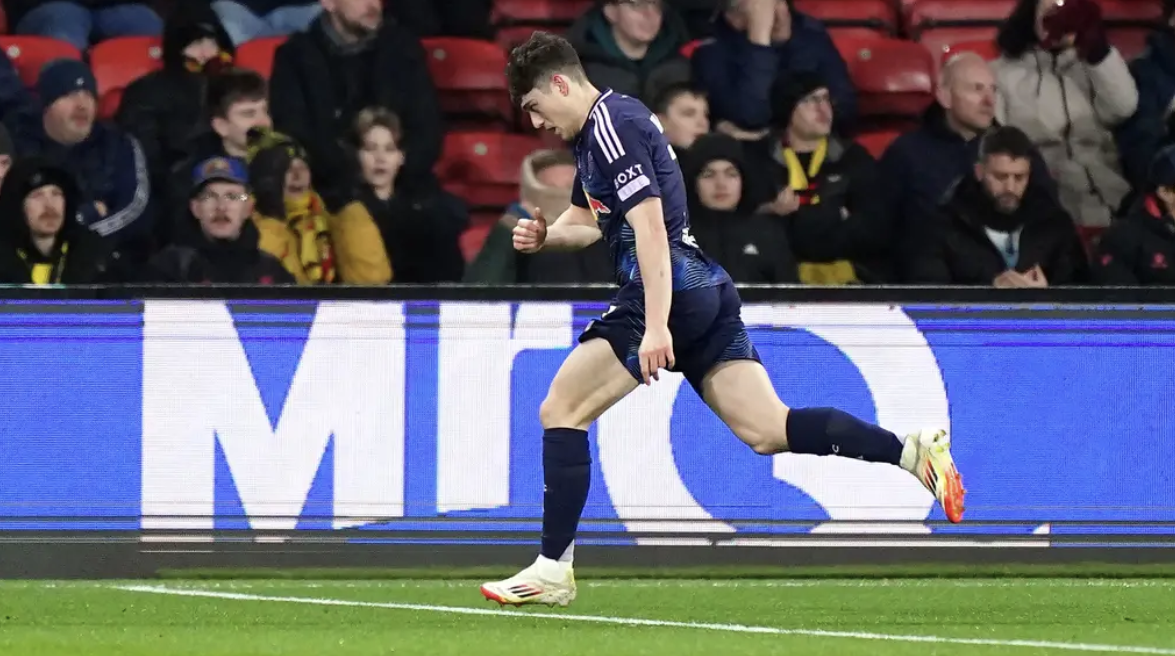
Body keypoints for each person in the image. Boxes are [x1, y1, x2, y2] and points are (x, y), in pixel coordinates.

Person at [479, 32, 966, 609]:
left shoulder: (610, 128)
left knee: (562, 409)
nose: (536, 123)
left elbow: (650, 228)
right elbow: (589, 220)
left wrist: (656, 324)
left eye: (535, 106)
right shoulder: (602, 130)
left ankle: (552, 569)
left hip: (671, 292)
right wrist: (546, 236)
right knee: (769, 429)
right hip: (704, 288)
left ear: (560, 84)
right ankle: (910, 452)